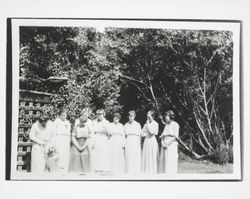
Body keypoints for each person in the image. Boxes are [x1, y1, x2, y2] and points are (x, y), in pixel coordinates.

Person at [92, 108, 111, 173]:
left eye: (101, 114)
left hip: (103, 139)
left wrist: (105, 129)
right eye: (98, 114)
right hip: (95, 138)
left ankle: (103, 168)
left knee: (102, 153)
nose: (99, 116)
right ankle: (95, 168)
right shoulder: (94, 121)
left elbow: (109, 133)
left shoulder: (106, 122)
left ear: (103, 115)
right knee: (95, 152)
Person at [53, 108, 71, 173]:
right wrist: (54, 142)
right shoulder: (56, 122)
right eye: (62, 115)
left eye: (65, 115)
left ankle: (65, 168)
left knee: (65, 154)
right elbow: (54, 133)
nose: (64, 116)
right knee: (59, 153)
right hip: (59, 138)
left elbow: (69, 133)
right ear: (59, 115)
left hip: (65, 139)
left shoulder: (67, 122)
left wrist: (69, 141)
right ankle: (59, 168)